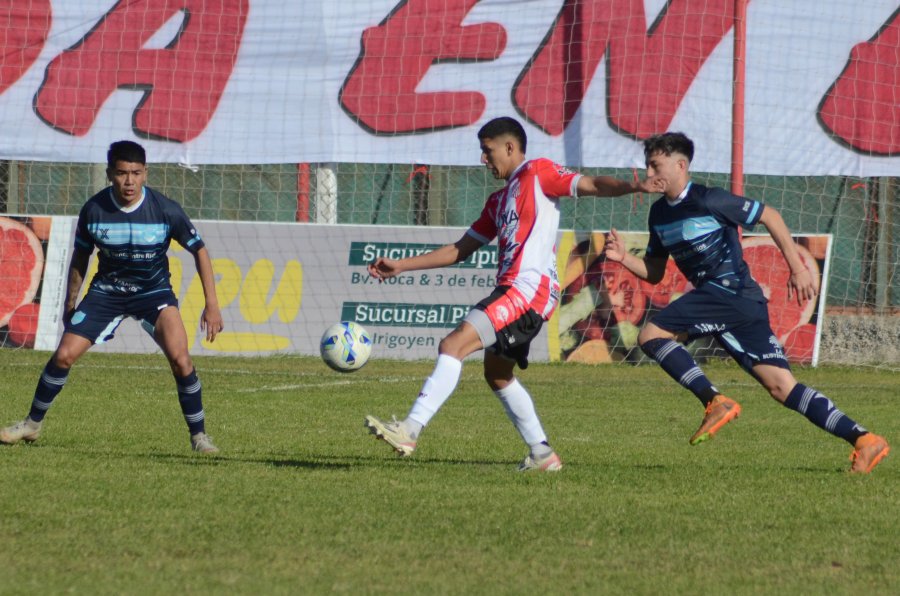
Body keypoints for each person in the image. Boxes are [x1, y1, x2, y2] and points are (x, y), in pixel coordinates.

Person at [364, 116, 664, 471]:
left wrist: (634, 186)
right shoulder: (498, 201)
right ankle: (542, 454)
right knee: (497, 373)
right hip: (518, 292)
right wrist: (401, 265)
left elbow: (593, 184)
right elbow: (460, 249)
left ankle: (410, 430)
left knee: (453, 345)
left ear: (510, 147)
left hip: (527, 290)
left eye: (487, 150)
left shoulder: (538, 173)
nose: (483, 159)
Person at [604, 131, 889, 473]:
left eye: (655, 165)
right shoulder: (659, 215)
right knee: (782, 387)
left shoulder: (710, 200)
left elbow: (770, 215)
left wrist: (798, 268)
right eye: (648, 166)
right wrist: (624, 258)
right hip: (740, 304)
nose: (650, 174)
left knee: (651, 335)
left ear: (681, 165)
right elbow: (654, 271)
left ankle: (714, 400)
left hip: (729, 293)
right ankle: (865, 440)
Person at [0, 141, 224, 453]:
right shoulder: (94, 210)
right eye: (121, 173)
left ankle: (199, 436)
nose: (129, 181)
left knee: (181, 360)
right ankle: (32, 424)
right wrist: (70, 302)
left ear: (145, 173)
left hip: (154, 294)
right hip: (106, 293)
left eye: (136, 173)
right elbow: (81, 256)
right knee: (63, 355)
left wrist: (212, 305)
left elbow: (199, 250)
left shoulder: (165, 210)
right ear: (110, 174)